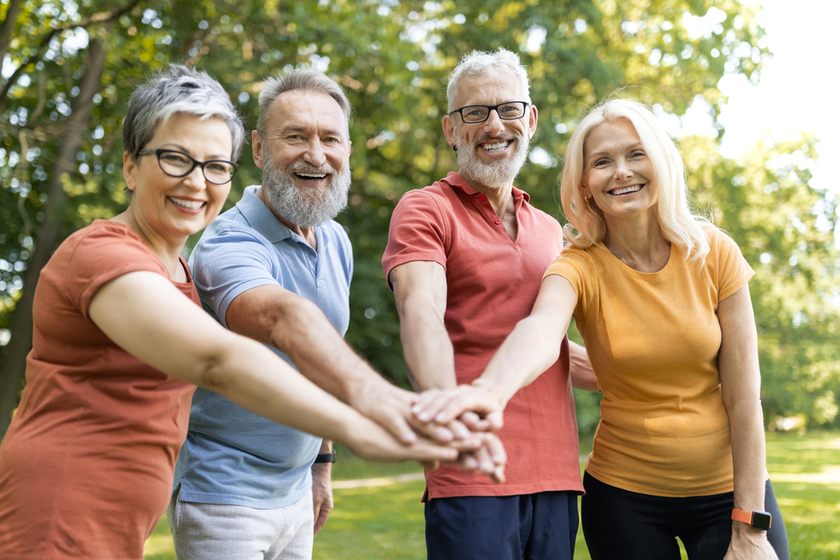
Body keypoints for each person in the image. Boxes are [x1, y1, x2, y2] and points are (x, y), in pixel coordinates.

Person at [0, 64, 461, 560]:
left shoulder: (175, 268)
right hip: (60, 512)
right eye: (176, 159)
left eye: (215, 166)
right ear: (131, 166)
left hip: (118, 518)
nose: (197, 183)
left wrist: (321, 460)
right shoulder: (103, 256)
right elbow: (220, 359)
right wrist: (367, 419)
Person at [413, 98, 791, 560]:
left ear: (661, 163)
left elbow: (743, 397)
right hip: (625, 499)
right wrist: (491, 392)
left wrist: (750, 527)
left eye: (636, 154)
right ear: (586, 185)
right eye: (602, 162)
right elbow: (541, 331)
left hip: (727, 491)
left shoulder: (713, 252)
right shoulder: (576, 265)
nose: (621, 172)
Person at [168, 68, 505, 560]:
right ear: (260, 150)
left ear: (347, 151)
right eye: (296, 137)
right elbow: (285, 320)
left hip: (296, 493)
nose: (316, 154)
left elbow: (321, 355)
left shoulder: (335, 239)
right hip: (225, 495)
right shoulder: (228, 241)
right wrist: (384, 403)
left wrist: (321, 465)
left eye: (330, 138)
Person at [382, 48, 597, 560]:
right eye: (474, 113)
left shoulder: (552, 229)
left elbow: (551, 346)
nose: (494, 125)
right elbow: (421, 312)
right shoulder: (426, 208)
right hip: (471, 470)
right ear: (451, 129)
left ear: (531, 119)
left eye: (508, 109)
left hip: (557, 473)